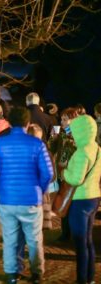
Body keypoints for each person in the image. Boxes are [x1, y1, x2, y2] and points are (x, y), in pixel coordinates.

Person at [0, 107, 53, 284]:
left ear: (8, 122)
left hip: (7, 199)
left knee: (10, 238)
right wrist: (40, 188)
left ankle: (12, 273)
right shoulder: (37, 144)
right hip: (31, 199)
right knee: (34, 238)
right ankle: (37, 274)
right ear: (28, 123)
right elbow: (48, 173)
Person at [62, 115, 101, 284]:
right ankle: (90, 278)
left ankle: (82, 279)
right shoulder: (97, 148)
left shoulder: (82, 152)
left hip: (80, 200)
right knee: (88, 240)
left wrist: (64, 172)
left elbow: (76, 179)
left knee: (80, 243)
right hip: (94, 197)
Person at [48, 107, 79, 241]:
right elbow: (52, 148)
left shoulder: (78, 135)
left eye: (65, 119)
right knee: (63, 203)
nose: (62, 122)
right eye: (61, 119)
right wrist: (53, 139)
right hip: (62, 174)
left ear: (73, 120)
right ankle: (65, 233)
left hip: (74, 173)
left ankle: (75, 232)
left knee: (73, 204)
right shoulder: (61, 133)